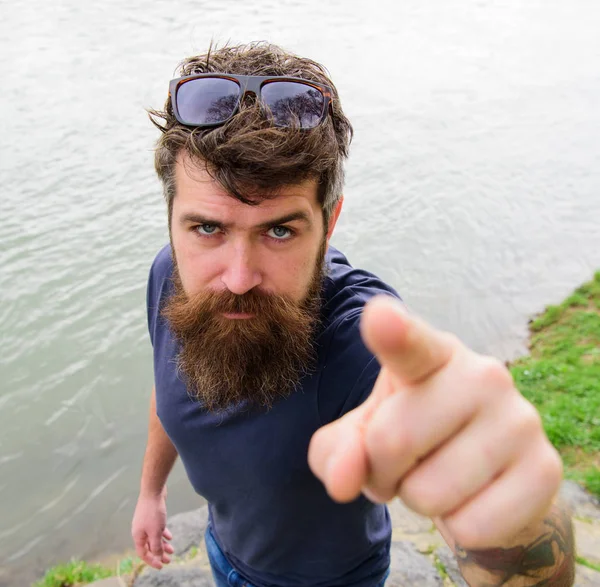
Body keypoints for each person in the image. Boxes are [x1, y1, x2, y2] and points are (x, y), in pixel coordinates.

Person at [131, 42, 575, 587]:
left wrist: (517, 520)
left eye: (279, 230)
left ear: (329, 219)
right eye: (207, 229)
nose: (239, 277)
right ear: (172, 218)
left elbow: (429, 416)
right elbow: (166, 378)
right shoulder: (168, 277)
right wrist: (151, 493)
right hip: (224, 552)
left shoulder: (360, 342)